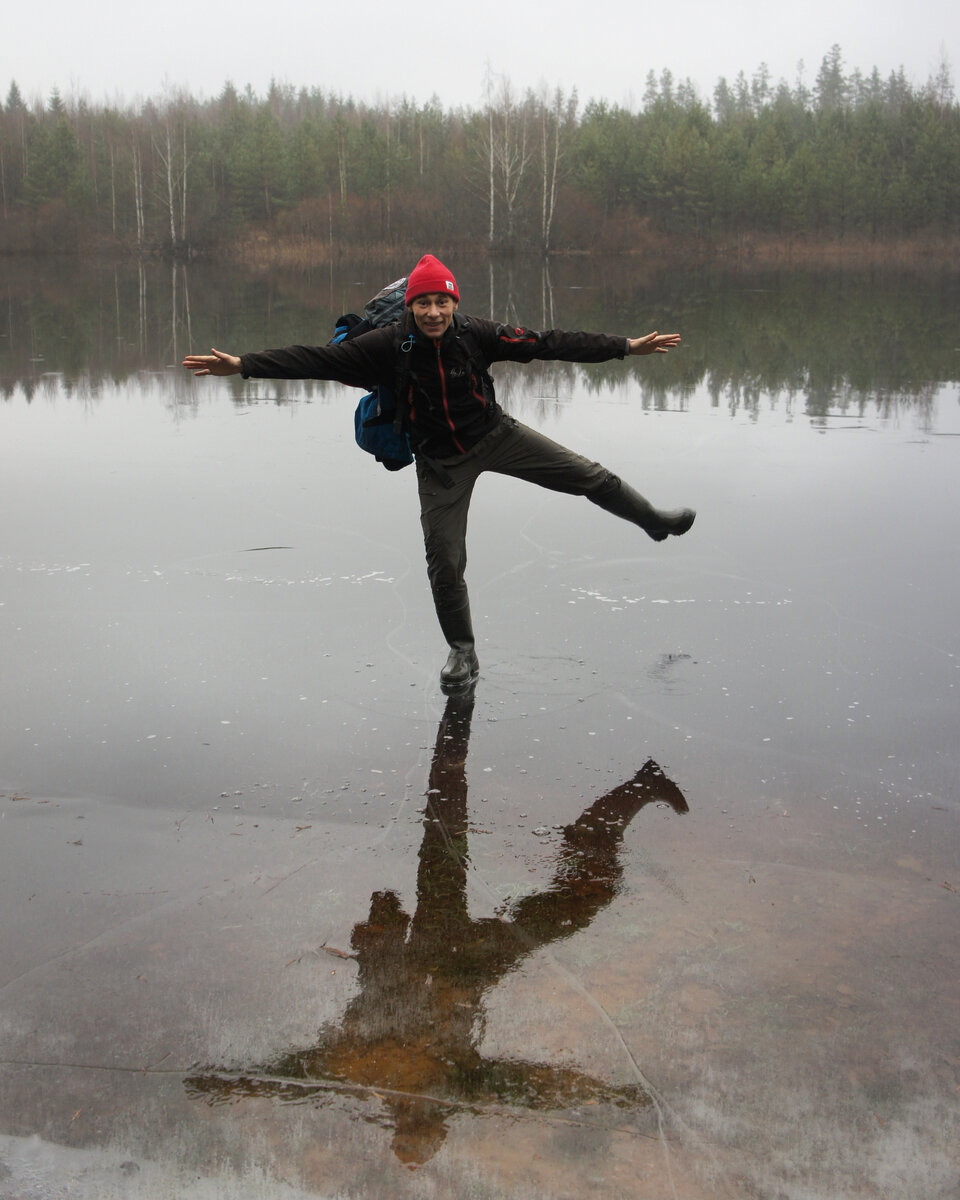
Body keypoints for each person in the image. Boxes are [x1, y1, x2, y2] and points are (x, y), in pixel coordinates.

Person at [182, 253, 694, 690]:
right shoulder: (387, 346)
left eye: (441, 302)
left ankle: (652, 520)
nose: (432, 312)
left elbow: (550, 343)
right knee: (445, 563)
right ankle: (463, 653)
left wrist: (626, 346)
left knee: (590, 476)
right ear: (411, 306)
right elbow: (316, 360)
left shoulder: (477, 334)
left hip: (499, 438)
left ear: (454, 303)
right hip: (440, 465)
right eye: (423, 303)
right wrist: (245, 364)